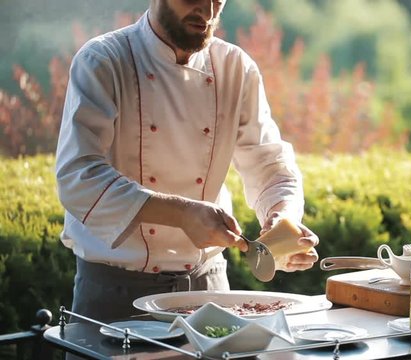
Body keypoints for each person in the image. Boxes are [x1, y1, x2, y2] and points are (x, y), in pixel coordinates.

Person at [55, 0, 319, 321]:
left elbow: (271, 167)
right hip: (115, 294)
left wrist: (282, 218)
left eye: (217, 1)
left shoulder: (235, 67)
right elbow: (79, 178)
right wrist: (182, 214)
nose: (207, 13)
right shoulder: (104, 60)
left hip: (211, 289)